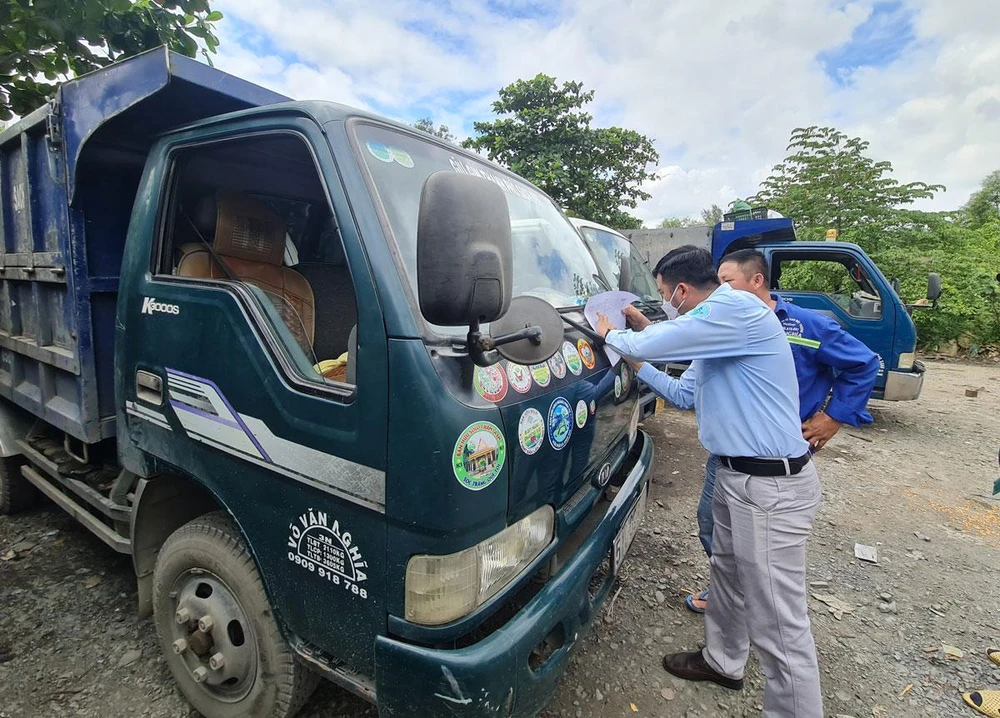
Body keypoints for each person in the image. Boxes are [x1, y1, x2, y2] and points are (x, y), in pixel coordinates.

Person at [595, 248, 823, 718]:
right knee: (728, 576)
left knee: (779, 621)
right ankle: (723, 661)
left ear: (680, 290)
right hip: (735, 475)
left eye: (664, 294)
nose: (666, 302)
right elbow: (683, 394)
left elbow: (654, 340)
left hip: (769, 486)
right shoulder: (718, 335)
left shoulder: (734, 306)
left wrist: (610, 333)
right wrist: (638, 360)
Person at [674, 248, 880, 612]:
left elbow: (864, 364)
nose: (720, 291)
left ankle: (754, 606)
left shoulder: (805, 326)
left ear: (757, 280)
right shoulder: (722, 324)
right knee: (712, 525)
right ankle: (728, 592)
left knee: (763, 550)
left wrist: (833, 417)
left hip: (774, 461)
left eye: (727, 282)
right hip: (728, 451)